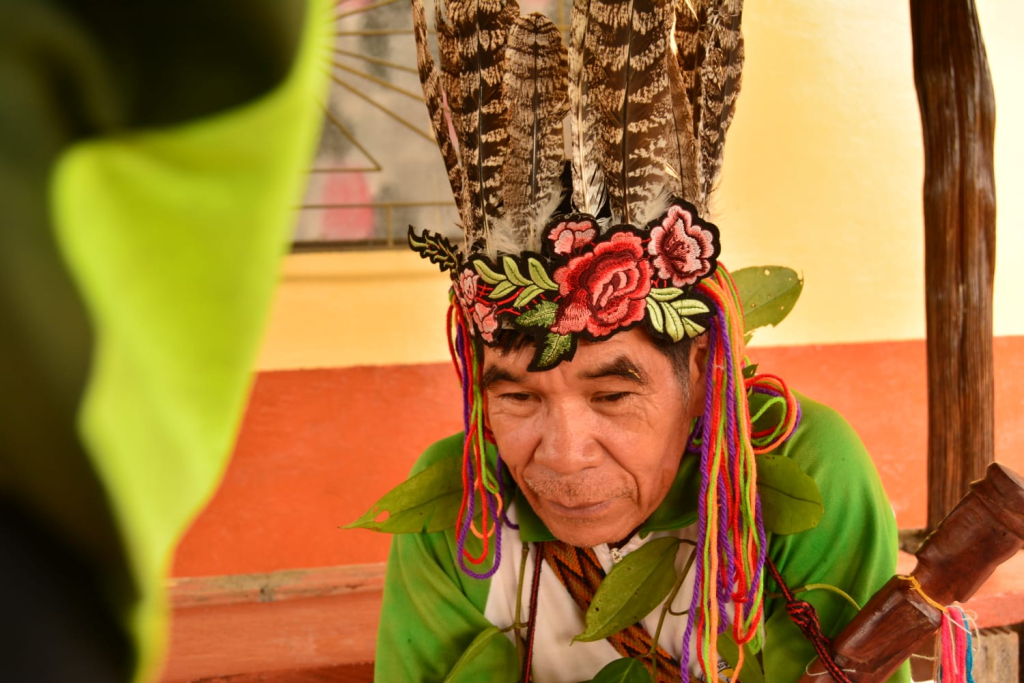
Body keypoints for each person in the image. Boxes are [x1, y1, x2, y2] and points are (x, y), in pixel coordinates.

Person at [357, 0, 909, 680]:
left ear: (701, 369)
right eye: (520, 399)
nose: (563, 456)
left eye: (613, 394)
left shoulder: (804, 466)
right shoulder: (464, 512)